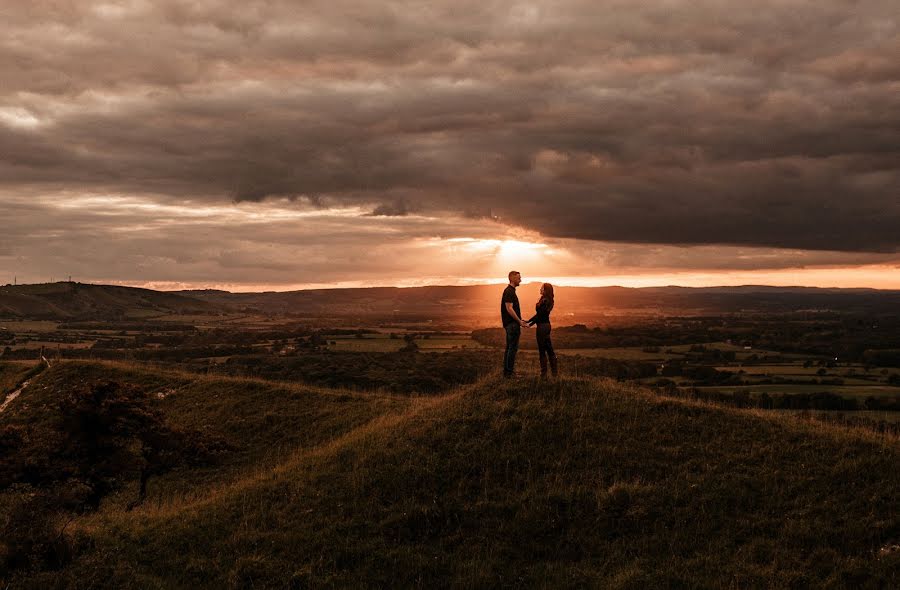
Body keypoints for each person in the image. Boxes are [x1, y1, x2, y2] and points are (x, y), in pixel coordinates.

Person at [500, 270, 529, 378]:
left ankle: (507, 373)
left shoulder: (510, 291)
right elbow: (509, 308)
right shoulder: (509, 291)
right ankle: (509, 374)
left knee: (509, 348)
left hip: (511, 324)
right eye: (518, 278)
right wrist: (519, 321)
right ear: (512, 278)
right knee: (512, 348)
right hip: (512, 325)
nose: (520, 280)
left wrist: (520, 320)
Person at [527, 282, 558, 378]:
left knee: (542, 350)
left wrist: (529, 324)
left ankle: (543, 374)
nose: (540, 289)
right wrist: (529, 321)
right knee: (549, 349)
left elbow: (540, 316)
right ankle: (554, 374)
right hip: (546, 326)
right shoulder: (547, 300)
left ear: (545, 290)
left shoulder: (545, 301)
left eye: (542, 288)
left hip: (542, 327)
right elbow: (539, 315)